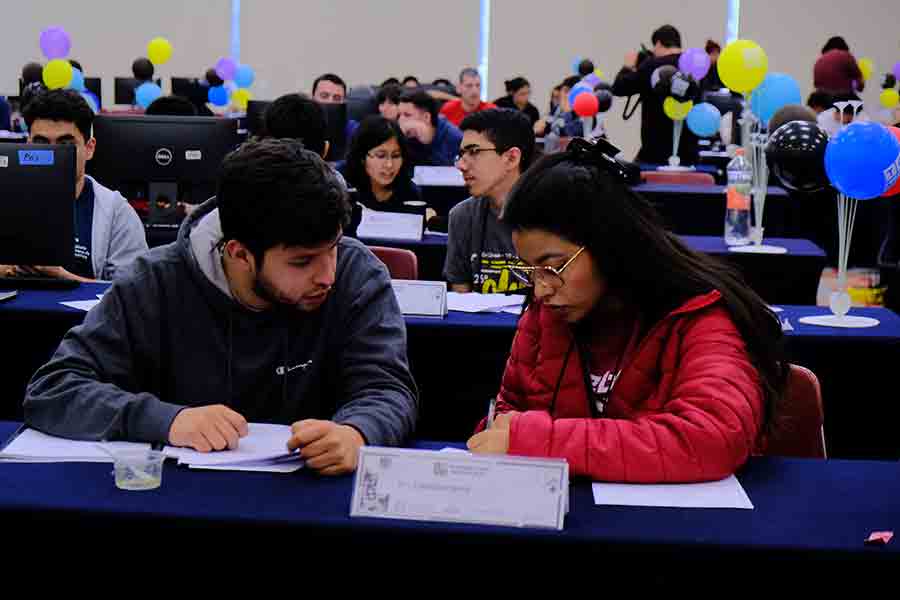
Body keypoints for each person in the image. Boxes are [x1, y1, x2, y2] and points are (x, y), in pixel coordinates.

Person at [24, 138, 418, 475]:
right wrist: (168, 420)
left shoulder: (358, 273)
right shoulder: (155, 281)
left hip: (310, 497)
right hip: (179, 501)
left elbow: (386, 387)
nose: (327, 275)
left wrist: (357, 432)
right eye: (302, 261)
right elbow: (55, 389)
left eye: (332, 249)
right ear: (239, 253)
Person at [466, 138, 787, 483]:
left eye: (554, 267)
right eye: (531, 271)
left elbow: (711, 437)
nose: (541, 289)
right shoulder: (545, 317)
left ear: (608, 245)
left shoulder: (698, 318)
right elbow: (509, 414)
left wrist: (536, 441)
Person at [2, 90, 147, 282]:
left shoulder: (115, 211)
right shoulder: (5, 197)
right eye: (41, 143)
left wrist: (64, 277)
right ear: (28, 143)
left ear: (89, 148)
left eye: (65, 145)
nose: (52, 155)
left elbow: (133, 293)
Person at [444, 108, 534, 294]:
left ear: (511, 158)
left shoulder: (553, 216)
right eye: (461, 154)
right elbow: (462, 303)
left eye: (474, 152)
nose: (461, 165)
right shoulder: (462, 216)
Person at [612, 24, 699, 165]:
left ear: (658, 43)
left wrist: (627, 66)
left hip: (654, 152)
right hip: (689, 151)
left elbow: (619, 88)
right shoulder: (694, 65)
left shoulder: (651, 66)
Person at [397, 89, 463, 167]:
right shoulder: (405, 136)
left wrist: (425, 138)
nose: (400, 121)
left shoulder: (455, 137)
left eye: (407, 115)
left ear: (426, 117)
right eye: (399, 115)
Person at [312, 73, 359, 141]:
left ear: (344, 101)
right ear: (313, 98)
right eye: (324, 96)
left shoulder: (352, 129)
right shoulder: (300, 125)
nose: (330, 101)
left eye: (337, 98)